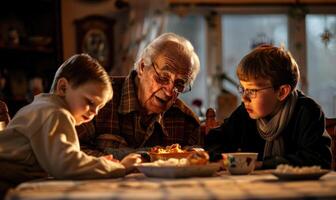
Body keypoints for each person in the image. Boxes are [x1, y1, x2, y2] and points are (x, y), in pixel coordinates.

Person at [0, 54, 142, 197]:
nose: (94, 112)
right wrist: (119, 167)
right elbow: (66, 165)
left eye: (99, 108)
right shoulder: (55, 113)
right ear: (63, 88)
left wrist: (95, 163)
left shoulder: (42, 107)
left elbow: (62, 159)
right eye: (90, 102)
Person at [205, 45, 332, 169]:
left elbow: (318, 159)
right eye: (243, 89)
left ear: (282, 92)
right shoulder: (245, 112)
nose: (244, 98)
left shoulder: (307, 111)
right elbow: (215, 141)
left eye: (252, 90)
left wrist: (263, 164)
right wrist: (220, 158)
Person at [77, 33, 202, 159]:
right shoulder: (97, 98)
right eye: (163, 77)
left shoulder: (186, 121)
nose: (170, 92)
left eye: (179, 84)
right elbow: (71, 152)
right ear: (142, 67)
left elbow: (196, 161)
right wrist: (123, 164)